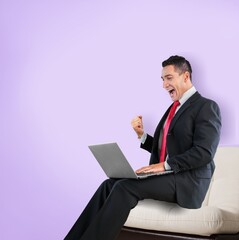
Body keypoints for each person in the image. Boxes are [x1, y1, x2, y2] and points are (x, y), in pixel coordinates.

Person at [64, 55, 222, 240]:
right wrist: (142, 135)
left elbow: (204, 153)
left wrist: (164, 165)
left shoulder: (206, 106)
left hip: (187, 182)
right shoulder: (174, 108)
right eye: (162, 79)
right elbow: (167, 148)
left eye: (169, 78)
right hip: (169, 176)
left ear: (185, 76)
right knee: (109, 184)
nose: (164, 85)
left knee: (125, 187)